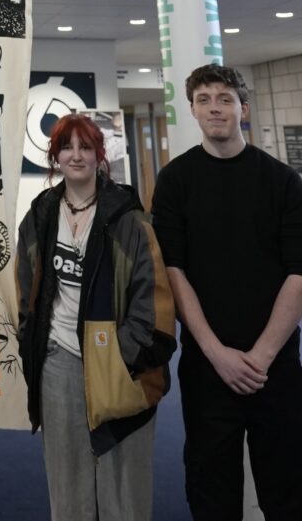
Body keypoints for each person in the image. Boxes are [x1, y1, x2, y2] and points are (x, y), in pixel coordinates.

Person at [151, 64, 302, 521]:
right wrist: (216, 353)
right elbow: (174, 271)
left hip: (275, 366)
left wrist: (262, 355)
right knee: (211, 490)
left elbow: (299, 273)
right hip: (207, 366)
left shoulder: (283, 182)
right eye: (204, 99)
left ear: (243, 108)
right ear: (193, 109)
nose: (215, 108)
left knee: (288, 488)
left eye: (225, 98)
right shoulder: (175, 182)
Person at [16, 113, 176, 521]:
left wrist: (121, 357)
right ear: (55, 156)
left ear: (98, 155)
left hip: (120, 365)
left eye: (85, 147)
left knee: (124, 481)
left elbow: (151, 297)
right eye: (66, 147)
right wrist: (33, 341)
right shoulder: (40, 215)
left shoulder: (128, 219)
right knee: (67, 479)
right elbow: (26, 289)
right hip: (59, 363)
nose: (76, 155)